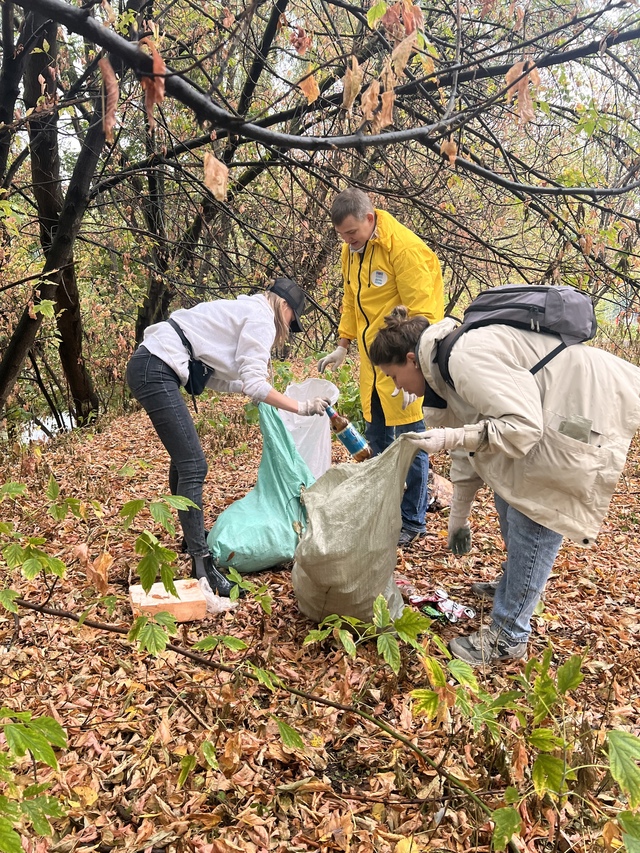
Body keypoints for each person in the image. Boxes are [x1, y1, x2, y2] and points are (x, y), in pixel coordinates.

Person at [370, 305, 640, 665]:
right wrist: (458, 518)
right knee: (507, 489)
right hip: (551, 410)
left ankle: (508, 635)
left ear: (410, 359)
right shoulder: (444, 370)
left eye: (392, 375)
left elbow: (522, 428)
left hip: (582, 404)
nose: (394, 386)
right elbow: (472, 453)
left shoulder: (464, 358)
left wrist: (450, 436)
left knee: (534, 509)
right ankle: (515, 586)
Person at [126, 278, 330, 597]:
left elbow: (218, 380)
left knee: (185, 464)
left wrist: (253, 391)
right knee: (194, 465)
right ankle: (202, 564)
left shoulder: (244, 311)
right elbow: (255, 382)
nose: (289, 327)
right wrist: (301, 406)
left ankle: (191, 539)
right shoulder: (262, 318)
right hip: (156, 367)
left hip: (151, 364)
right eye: (293, 320)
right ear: (285, 307)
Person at [318, 187, 444, 547]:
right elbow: (351, 300)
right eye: (341, 235)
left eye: (352, 233)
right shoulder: (351, 251)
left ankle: (412, 521)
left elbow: (426, 316)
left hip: (403, 366)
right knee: (375, 442)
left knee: (410, 444)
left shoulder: (403, 249)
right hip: (373, 369)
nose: (347, 241)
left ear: (369, 219)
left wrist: (416, 371)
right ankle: (381, 510)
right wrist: (344, 344)